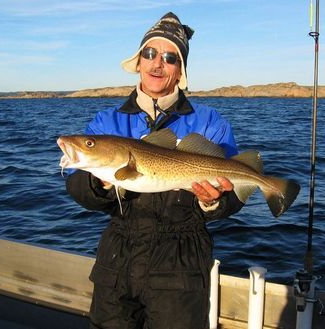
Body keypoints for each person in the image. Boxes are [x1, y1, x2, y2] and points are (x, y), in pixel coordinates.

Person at [65, 12, 245, 329]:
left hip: (182, 269)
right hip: (117, 264)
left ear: (181, 70)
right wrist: (97, 183)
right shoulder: (107, 122)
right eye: (149, 53)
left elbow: (234, 192)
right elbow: (77, 188)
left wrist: (213, 202)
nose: (156, 64)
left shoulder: (209, 121)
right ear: (138, 61)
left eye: (169, 57)